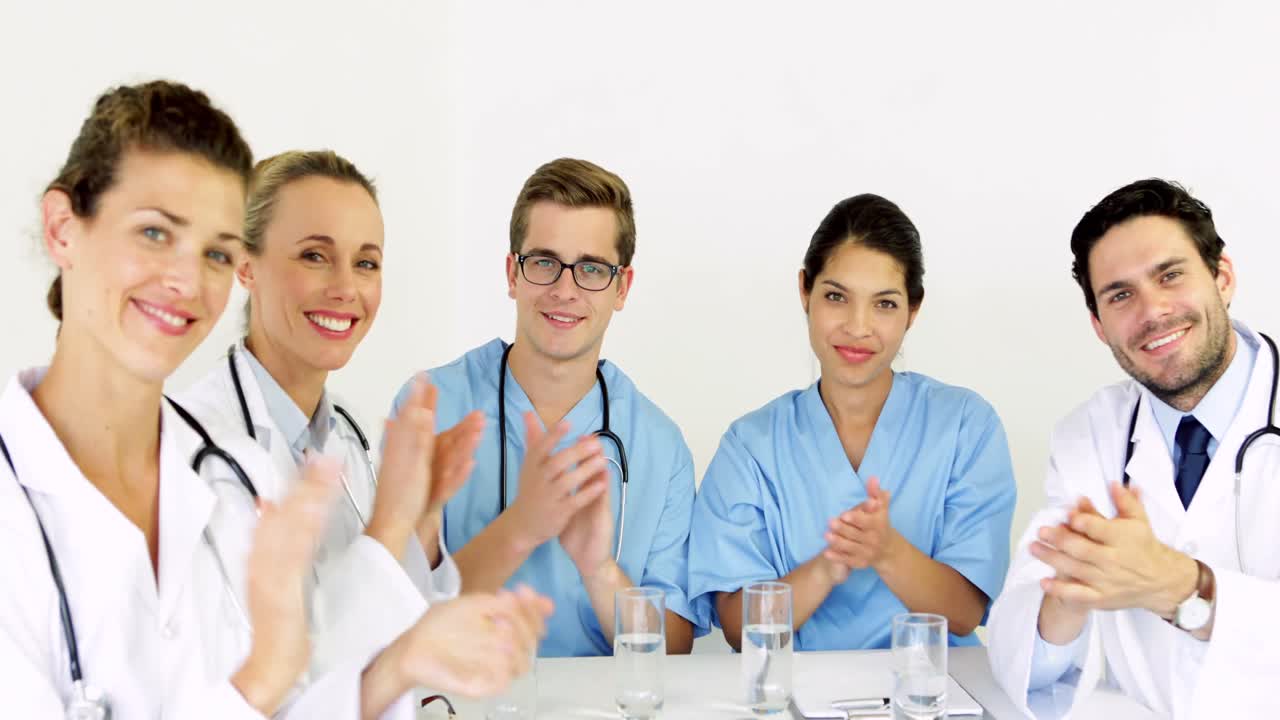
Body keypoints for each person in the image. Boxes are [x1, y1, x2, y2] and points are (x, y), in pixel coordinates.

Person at [0, 80, 548, 719]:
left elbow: (297, 703)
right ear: (63, 228)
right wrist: (266, 677)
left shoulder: (230, 471)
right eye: (154, 233)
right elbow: (267, 688)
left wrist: (405, 658)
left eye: (213, 251)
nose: (186, 280)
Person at [180, 150, 482, 674]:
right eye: (315, 256)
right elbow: (276, 672)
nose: (346, 289)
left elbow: (399, 646)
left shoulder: (347, 436)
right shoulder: (191, 449)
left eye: (366, 263)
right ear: (245, 265)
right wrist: (389, 524)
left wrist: (423, 523)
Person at [987, 179, 1279, 719]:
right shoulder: (1090, 434)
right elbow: (1020, 659)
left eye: (1170, 275)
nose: (1153, 311)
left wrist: (1181, 587)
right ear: (1099, 326)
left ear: (1223, 277)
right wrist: (1069, 592)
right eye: (1120, 295)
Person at [388, 158, 703, 656]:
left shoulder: (659, 446)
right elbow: (393, 620)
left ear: (622, 288)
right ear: (513, 274)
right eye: (544, 262)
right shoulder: (430, 407)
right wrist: (523, 525)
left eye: (593, 269)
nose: (565, 289)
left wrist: (599, 568)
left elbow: (674, 651)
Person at [687, 194, 1016, 651]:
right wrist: (828, 566)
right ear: (805, 291)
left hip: (931, 695)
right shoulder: (751, 445)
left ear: (913, 311)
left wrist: (887, 552)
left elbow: (964, 614)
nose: (858, 327)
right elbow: (742, 631)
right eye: (836, 297)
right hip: (796, 698)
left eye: (884, 304)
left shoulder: (965, 426)